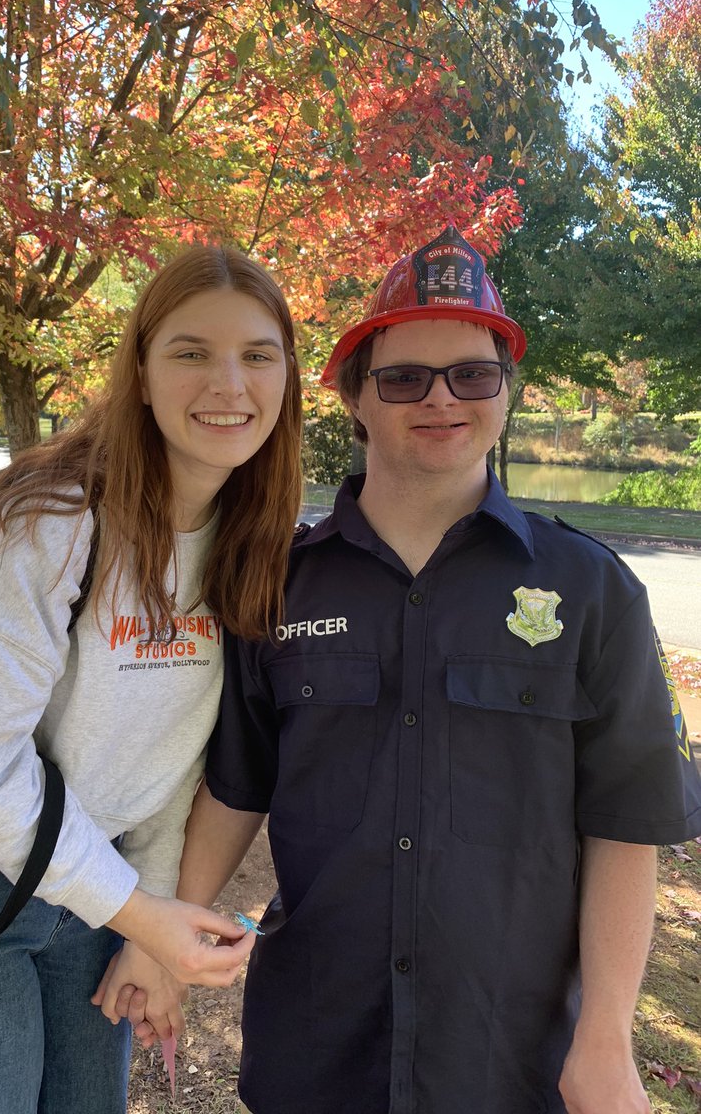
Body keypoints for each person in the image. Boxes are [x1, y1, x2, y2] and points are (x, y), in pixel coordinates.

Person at [151, 225, 701, 1114]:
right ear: (354, 397)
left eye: (472, 375)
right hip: (318, 1047)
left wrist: (606, 1040)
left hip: (508, 1058)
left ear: (506, 392)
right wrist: (160, 940)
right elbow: (236, 788)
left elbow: (627, 827)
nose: (441, 398)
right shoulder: (275, 583)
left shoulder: (595, 589)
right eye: (404, 377)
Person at [0, 244, 303, 1114]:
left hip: (97, 901)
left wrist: (151, 925)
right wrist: (146, 917)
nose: (229, 383)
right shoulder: (49, 522)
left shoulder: (251, 540)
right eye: (191, 352)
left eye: (258, 355)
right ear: (140, 373)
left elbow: (176, 765)